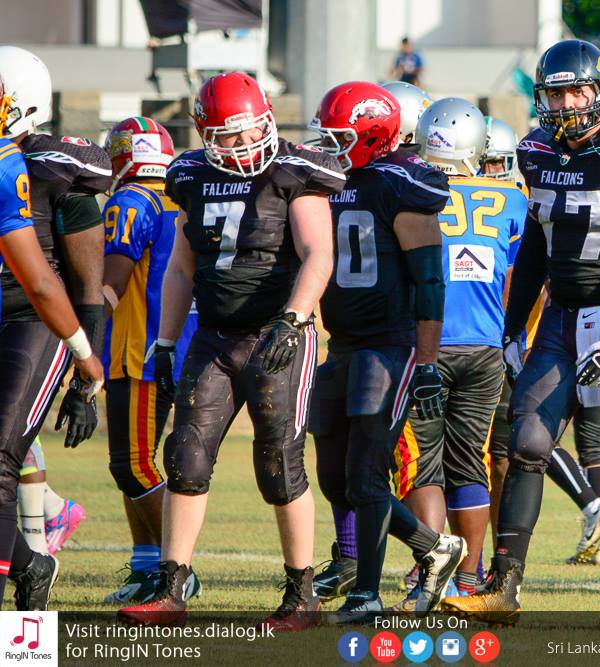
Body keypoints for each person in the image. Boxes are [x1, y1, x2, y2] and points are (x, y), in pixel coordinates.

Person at [441, 39, 600, 629]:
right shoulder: (535, 151)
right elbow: (535, 249)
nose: (566, 103)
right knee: (527, 442)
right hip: (562, 317)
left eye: (577, 91)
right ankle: (504, 588)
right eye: (555, 93)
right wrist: (510, 327)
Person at [118, 72, 345, 631]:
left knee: (278, 464)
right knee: (185, 456)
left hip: (276, 333)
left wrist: (294, 318)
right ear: (206, 135)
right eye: (229, 136)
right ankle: (171, 590)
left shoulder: (295, 170)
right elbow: (181, 268)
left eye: (250, 131)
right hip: (214, 335)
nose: (243, 144)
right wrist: (164, 342)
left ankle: (302, 596)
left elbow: (318, 252)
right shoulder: (190, 175)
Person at [307, 81, 465, 624]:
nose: (330, 146)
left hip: (390, 346)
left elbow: (430, 281)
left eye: (340, 137)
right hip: (343, 343)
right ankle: (435, 547)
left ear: (373, 133)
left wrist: (427, 362)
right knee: (335, 476)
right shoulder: (328, 181)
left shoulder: (401, 182)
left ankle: (366, 595)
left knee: (367, 475)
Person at [389, 99, 528, 611]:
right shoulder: (511, 198)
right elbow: (518, 277)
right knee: (471, 462)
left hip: (424, 343)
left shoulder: (409, 188)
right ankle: (469, 579)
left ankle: (434, 576)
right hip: (486, 346)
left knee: (422, 465)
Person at [480, 115, 600, 567]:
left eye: (494, 162)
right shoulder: (531, 194)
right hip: (583, 329)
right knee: (580, 437)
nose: (488, 170)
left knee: (522, 439)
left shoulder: (519, 201)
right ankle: (594, 516)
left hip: (536, 340)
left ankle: (590, 507)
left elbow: (525, 277)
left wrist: (514, 332)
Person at [0, 46, 105, 610]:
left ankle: (18, 621)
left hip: (31, 322)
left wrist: (85, 373)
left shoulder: (50, 168)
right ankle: (30, 564)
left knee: (1, 461)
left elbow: (82, 286)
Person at [100, 116, 200, 604]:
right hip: (182, 346)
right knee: (135, 463)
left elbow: (110, 285)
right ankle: (146, 567)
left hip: (139, 350)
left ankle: (177, 568)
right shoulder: (183, 196)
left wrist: (79, 343)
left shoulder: (131, 200)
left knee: (133, 465)